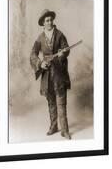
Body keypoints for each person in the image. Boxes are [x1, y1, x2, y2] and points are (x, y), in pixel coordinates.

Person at [30, 9, 71, 139]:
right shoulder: (40, 38)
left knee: (61, 103)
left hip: (59, 75)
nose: (49, 22)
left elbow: (66, 48)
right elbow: (32, 54)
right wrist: (40, 63)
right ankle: (54, 127)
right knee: (51, 103)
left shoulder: (60, 34)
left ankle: (64, 130)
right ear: (43, 23)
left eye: (51, 20)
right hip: (47, 76)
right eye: (47, 20)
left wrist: (62, 53)